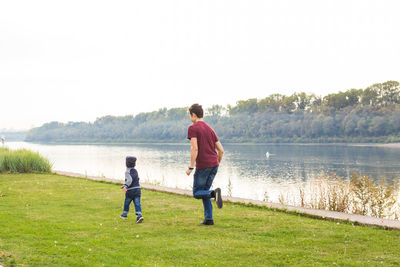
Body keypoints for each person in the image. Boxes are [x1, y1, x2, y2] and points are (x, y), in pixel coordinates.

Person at [186, 103, 224, 226]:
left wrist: (191, 167)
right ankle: (209, 219)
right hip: (214, 164)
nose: (190, 118)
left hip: (204, 166)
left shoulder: (193, 128)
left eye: (190, 115)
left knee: (197, 193)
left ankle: (214, 193)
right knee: (205, 191)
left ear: (193, 115)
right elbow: (221, 150)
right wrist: (216, 163)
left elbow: (194, 149)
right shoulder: (210, 129)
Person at [120, 156, 144, 223]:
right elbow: (137, 178)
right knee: (137, 203)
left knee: (127, 202)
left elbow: (129, 180)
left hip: (131, 190)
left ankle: (124, 214)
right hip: (137, 189)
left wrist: (125, 186)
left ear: (126, 164)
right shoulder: (135, 170)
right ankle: (139, 215)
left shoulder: (127, 171)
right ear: (134, 164)